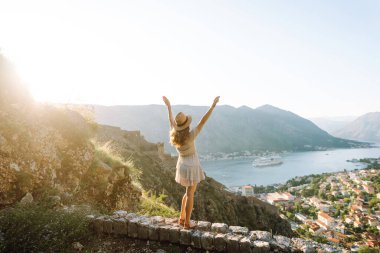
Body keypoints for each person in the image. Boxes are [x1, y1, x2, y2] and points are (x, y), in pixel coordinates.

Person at [162, 96, 220, 229]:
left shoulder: (174, 133)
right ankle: (187, 222)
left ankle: (182, 218)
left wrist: (169, 106)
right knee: (190, 194)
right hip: (191, 165)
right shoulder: (191, 135)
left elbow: (170, 120)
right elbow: (203, 121)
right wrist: (212, 106)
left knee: (187, 193)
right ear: (186, 124)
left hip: (182, 164)